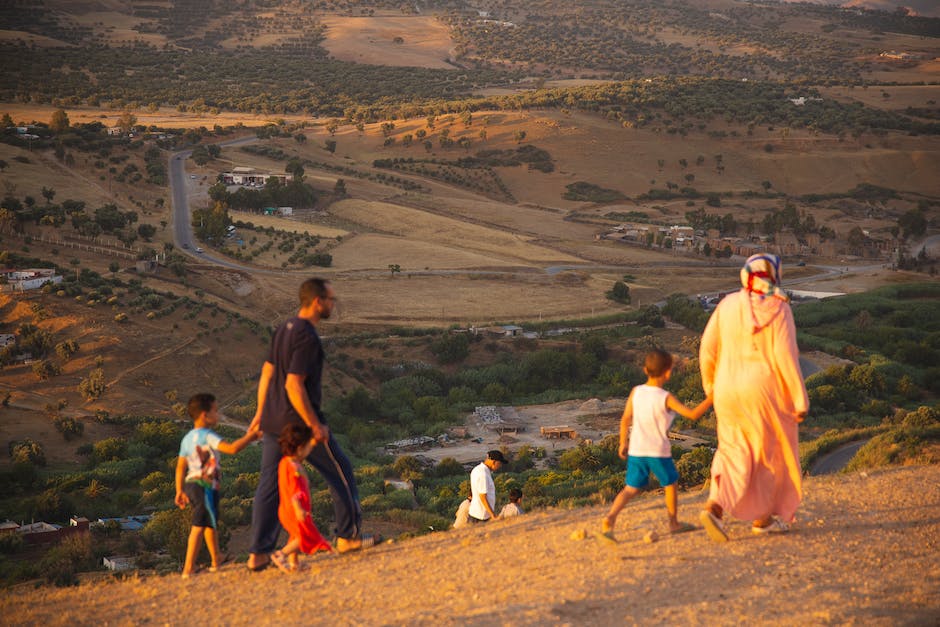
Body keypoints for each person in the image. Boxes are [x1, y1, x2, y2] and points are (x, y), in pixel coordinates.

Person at [247, 278, 372, 572]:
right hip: (298, 423)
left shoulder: (283, 328)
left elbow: (267, 373)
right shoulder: (306, 336)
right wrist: (314, 424)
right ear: (317, 301)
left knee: (269, 486)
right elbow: (293, 384)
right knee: (340, 471)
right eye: (331, 299)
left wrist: (260, 413)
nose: (333, 304)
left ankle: (259, 554)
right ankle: (347, 537)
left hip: (274, 419)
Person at [698, 254, 809, 542]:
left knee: (731, 449)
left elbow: (707, 349)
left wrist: (710, 384)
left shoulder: (727, 305)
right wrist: (800, 399)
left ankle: (716, 507)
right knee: (767, 456)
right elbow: (786, 356)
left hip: (726, 389)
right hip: (764, 392)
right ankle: (764, 518)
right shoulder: (779, 308)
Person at [601, 349, 713, 538]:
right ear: (668, 372)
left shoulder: (636, 392)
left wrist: (622, 443)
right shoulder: (665, 397)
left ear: (645, 370)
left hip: (637, 449)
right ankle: (673, 523)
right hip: (658, 451)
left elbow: (625, 419)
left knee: (630, 488)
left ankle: (610, 517)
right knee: (670, 484)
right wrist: (712, 397)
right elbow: (693, 414)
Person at [175, 393, 259, 578]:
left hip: (192, 484)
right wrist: (250, 437)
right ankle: (189, 568)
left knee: (208, 522)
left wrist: (179, 490)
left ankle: (216, 559)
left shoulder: (188, 438)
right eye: (215, 410)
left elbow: (181, 467)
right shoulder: (208, 436)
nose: (218, 414)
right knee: (198, 525)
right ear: (205, 415)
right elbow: (232, 448)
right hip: (204, 485)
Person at [271, 423, 333, 573]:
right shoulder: (296, 469)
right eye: (308, 446)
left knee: (295, 536)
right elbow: (295, 492)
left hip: (285, 509)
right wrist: (299, 510)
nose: (310, 449)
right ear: (299, 449)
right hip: (296, 510)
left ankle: (294, 564)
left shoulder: (285, 462)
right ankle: (281, 555)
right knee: (305, 537)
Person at [468, 450, 507, 523]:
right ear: (494, 461)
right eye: (500, 463)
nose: (500, 466)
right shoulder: (483, 474)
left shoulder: (478, 469)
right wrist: (493, 515)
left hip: (477, 513)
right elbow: (483, 496)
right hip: (480, 517)